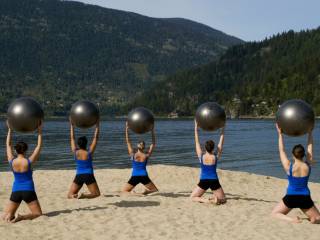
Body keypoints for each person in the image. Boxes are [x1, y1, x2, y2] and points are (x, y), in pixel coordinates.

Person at [271, 124, 320, 224]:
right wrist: (310, 132)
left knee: (275, 213)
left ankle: (292, 220)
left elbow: (282, 150)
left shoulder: (289, 166)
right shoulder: (308, 165)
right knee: (318, 217)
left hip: (291, 197)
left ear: (293, 155)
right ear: (304, 155)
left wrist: (280, 134)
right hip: (305, 198)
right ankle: (314, 219)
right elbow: (310, 147)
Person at [2, 121, 43, 223]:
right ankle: (21, 217)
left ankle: (11, 216)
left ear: (16, 151)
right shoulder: (29, 161)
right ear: (26, 151)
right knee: (38, 214)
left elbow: (8, 144)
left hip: (16, 191)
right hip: (28, 191)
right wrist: (39, 130)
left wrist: (10, 129)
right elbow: (38, 146)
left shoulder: (12, 161)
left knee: (6, 216)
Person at [190, 120, 226, 204]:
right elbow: (221, 142)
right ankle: (216, 199)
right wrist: (223, 127)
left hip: (204, 180)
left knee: (193, 197)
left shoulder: (201, 157)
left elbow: (197, 142)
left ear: (205, 148)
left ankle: (205, 200)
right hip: (214, 180)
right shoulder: (216, 156)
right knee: (223, 199)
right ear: (213, 148)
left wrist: (196, 128)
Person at [121, 122, 158, 195]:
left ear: (138, 146)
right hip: (144, 176)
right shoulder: (146, 155)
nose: (141, 144)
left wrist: (126, 128)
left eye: (142, 144)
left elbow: (128, 142)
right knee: (154, 190)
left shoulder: (133, 154)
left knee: (124, 191)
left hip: (135, 176)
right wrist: (152, 130)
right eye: (141, 143)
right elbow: (153, 144)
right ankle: (146, 192)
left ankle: (135, 193)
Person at [67, 118, 100, 199]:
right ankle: (84, 195)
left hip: (79, 175)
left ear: (78, 144)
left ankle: (74, 196)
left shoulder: (75, 152)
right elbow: (96, 138)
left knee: (69, 195)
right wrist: (97, 125)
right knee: (96, 194)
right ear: (86, 144)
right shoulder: (89, 152)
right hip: (88, 175)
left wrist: (72, 125)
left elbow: (72, 138)